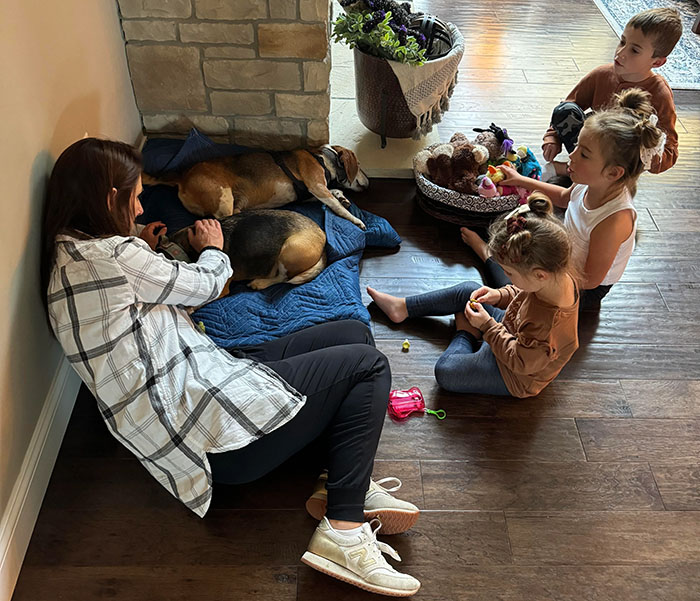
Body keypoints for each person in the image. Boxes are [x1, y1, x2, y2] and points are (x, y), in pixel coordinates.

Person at [40, 138, 420, 597]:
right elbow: (205, 285)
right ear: (107, 200)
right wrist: (214, 246)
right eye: (135, 196)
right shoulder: (115, 258)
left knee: (350, 333)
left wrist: (141, 247)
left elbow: (131, 295)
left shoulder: (75, 257)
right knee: (370, 366)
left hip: (203, 377)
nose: (140, 208)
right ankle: (342, 528)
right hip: (215, 442)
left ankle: (339, 478)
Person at [464, 88, 665, 310]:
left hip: (582, 289)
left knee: (515, 283)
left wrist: (543, 274)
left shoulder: (614, 220)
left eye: (584, 154)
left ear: (613, 173)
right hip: (564, 258)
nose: (572, 154)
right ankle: (499, 257)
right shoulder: (590, 182)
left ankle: (486, 254)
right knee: (513, 238)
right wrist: (520, 180)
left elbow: (590, 279)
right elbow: (564, 197)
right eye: (577, 145)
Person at [368, 193, 579, 399]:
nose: (506, 277)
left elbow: (519, 362)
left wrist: (486, 326)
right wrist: (498, 294)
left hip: (513, 372)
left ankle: (466, 333)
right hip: (508, 330)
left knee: (447, 372)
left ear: (539, 275)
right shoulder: (553, 277)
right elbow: (522, 291)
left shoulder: (546, 325)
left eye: (510, 274)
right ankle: (403, 307)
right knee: (468, 289)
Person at [542, 7, 681, 175]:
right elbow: (569, 105)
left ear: (657, 62)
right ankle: (581, 169)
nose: (620, 53)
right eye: (622, 42)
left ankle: (574, 172)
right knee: (565, 111)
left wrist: (645, 157)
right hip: (593, 144)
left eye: (634, 50)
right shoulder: (602, 74)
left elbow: (670, 151)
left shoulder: (660, 94)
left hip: (619, 165)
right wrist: (553, 138)